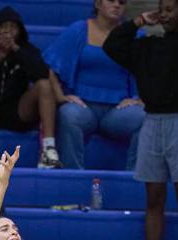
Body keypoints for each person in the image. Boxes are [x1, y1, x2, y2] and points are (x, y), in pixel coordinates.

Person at [104, 0, 178, 240]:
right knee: (153, 196)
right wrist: (138, 21)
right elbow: (112, 46)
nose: (164, 15)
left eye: (169, 10)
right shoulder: (148, 46)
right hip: (152, 121)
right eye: (161, 9)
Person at [44, 0, 145, 171]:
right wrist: (60, 96)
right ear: (98, 4)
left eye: (121, 2)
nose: (117, 5)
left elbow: (150, 72)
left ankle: (135, 179)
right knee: (68, 114)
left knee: (144, 118)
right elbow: (51, 67)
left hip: (118, 110)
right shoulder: (78, 30)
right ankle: (74, 178)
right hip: (84, 106)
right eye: (111, 0)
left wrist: (140, 99)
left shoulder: (134, 35)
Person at [0, 6, 59, 168]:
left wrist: (16, 50)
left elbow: (42, 73)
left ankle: (49, 148)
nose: (8, 32)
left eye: (13, 27)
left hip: (19, 111)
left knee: (44, 85)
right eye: (3, 27)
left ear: (20, 30)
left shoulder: (28, 50)